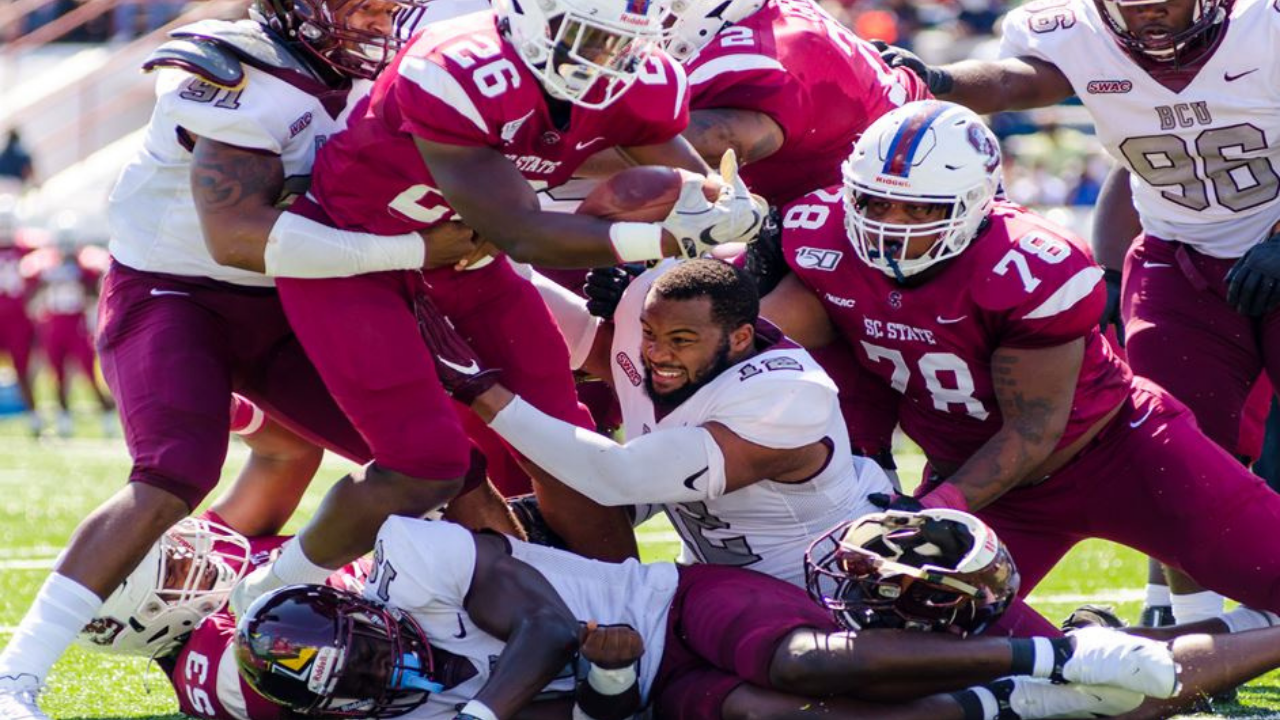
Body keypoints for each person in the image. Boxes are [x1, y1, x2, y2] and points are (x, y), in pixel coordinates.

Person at [0, 3, 493, 718]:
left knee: (438, 464)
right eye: (359, 4)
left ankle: (546, 620)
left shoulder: (398, 68)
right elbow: (237, 240)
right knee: (173, 472)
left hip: (292, 297)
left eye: (388, 4)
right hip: (178, 293)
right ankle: (18, 673)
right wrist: (417, 250)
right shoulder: (241, 75)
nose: (379, 18)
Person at [225, 0, 767, 603]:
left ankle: (627, 609)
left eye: (625, 48)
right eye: (589, 39)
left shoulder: (640, 80)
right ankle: (266, 593)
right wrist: (665, 237)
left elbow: (688, 175)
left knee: (568, 449)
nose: (607, 64)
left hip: (470, 263)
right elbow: (519, 229)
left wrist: (725, 205)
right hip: (360, 259)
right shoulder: (457, 65)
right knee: (423, 464)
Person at [757, 99, 1280, 619]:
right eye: (875, 202)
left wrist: (938, 508)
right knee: (892, 629)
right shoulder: (819, 237)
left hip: (1123, 452)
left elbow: (1035, 428)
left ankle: (1177, 639)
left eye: (920, 209)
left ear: (974, 204)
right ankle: (1100, 650)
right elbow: (764, 340)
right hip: (986, 482)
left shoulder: (1028, 263)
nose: (893, 224)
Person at [877, 0, 1280, 627]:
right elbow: (1017, 81)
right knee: (1186, 444)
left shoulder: (1267, 25)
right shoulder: (1073, 33)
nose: (1147, 10)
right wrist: (938, 83)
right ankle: (1189, 615)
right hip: (1182, 252)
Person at [233, 510, 1280, 720]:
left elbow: (545, 629)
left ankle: (1055, 665)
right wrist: (605, 685)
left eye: (374, 659)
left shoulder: (409, 560)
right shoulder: (387, 706)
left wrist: (475, 718)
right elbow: (580, 697)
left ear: (354, 606)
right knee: (787, 719)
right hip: (652, 686)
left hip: (684, 604)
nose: (394, 678)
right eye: (368, 697)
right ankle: (1049, 696)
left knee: (806, 663)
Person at [430, 258, 892, 587]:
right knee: (524, 529)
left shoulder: (788, 396)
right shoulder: (660, 313)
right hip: (718, 576)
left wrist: (479, 390)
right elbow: (580, 337)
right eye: (649, 334)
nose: (658, 353)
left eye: (681, 340)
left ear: (740, 338)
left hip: (828, 586)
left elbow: (620, 478)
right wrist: (485, 262)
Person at [653, 0, 930, 207]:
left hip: (876, 215)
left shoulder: (752, 60)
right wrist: (936, 78)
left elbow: (723, 138)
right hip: (908, 155)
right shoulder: (769, 17)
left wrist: (613, 130)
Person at [25, 228, 115, 437]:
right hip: (54, 322)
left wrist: (79, 278)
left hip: (77, 323)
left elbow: (95, 293)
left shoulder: (85, 268)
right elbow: (33, 294)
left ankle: (107, 416)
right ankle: (64, 420)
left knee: (89, 373)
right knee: (57, 374)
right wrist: (47, 279)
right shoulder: (46, 266)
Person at [0, 196, 39, 437]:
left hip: (18, 318)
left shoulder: (27, 249)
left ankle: (34, 418)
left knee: (23, 370)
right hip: (10, 315)